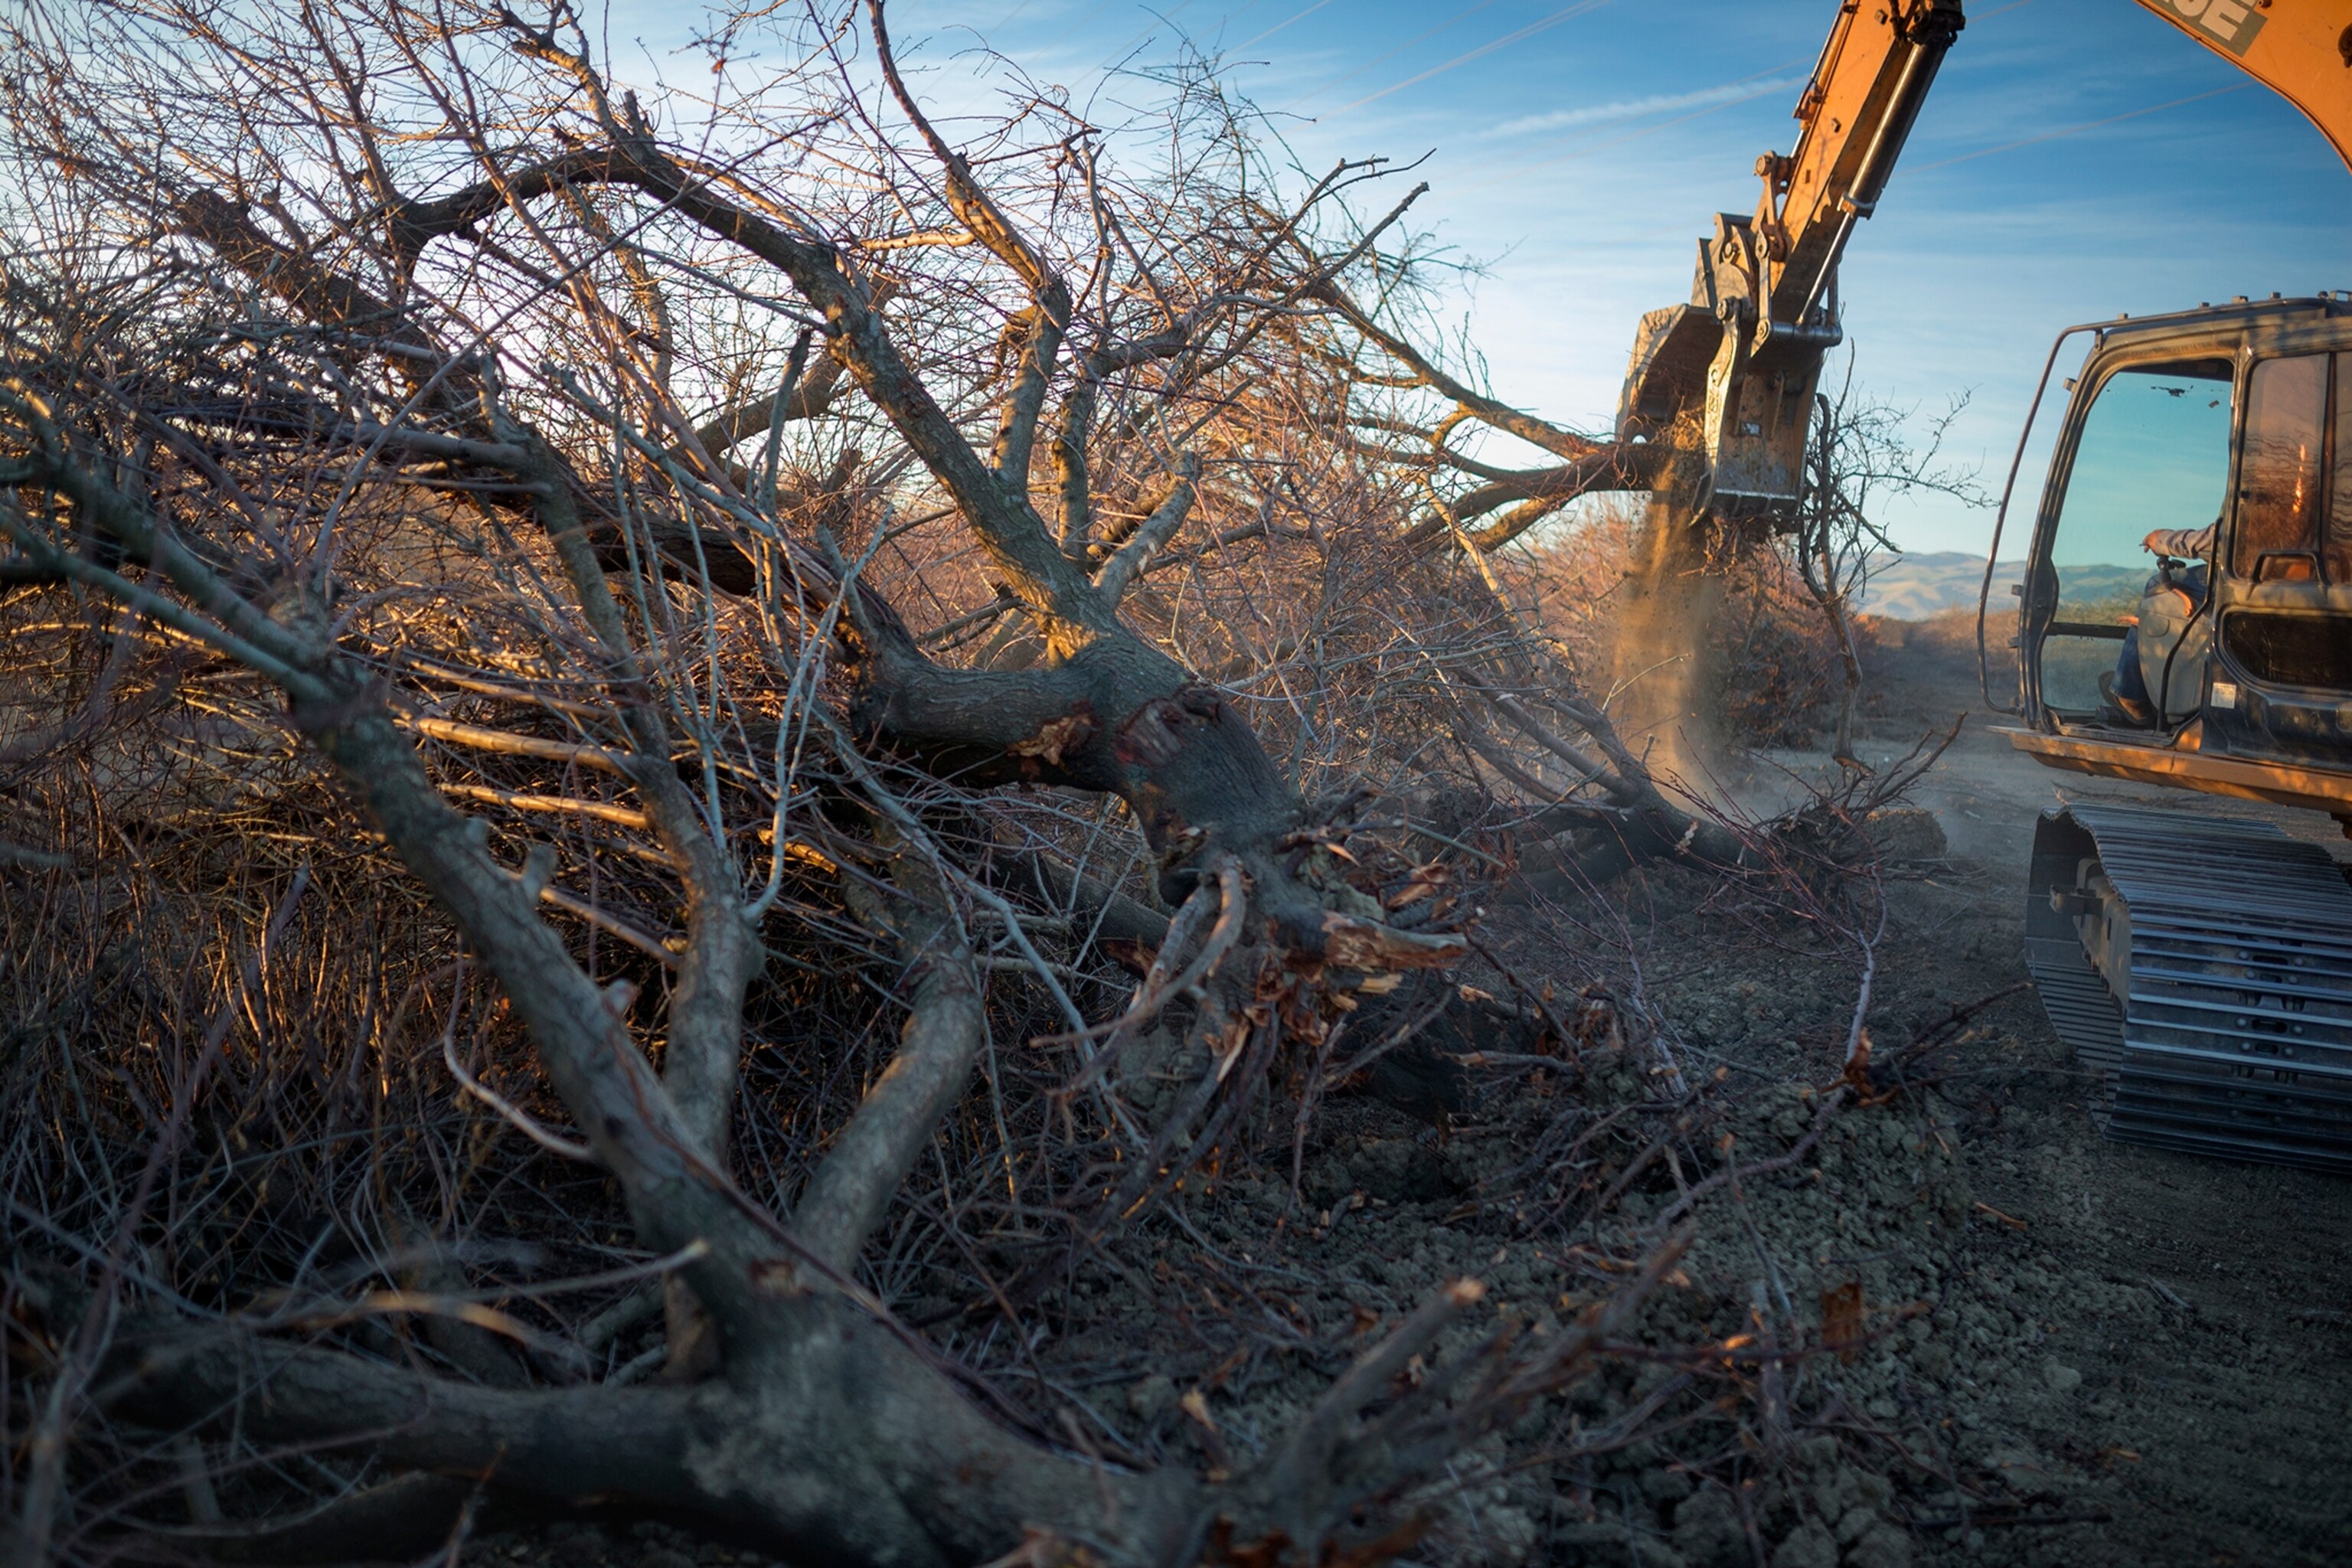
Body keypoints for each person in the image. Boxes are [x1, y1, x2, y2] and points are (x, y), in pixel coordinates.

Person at [2105, 524, 2213, 724]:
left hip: (2245, 583)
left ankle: (2130, 693)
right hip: (2269, 589)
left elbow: (2222, 541)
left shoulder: (2262, 511)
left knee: (2157, 586)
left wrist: (2165, 540)